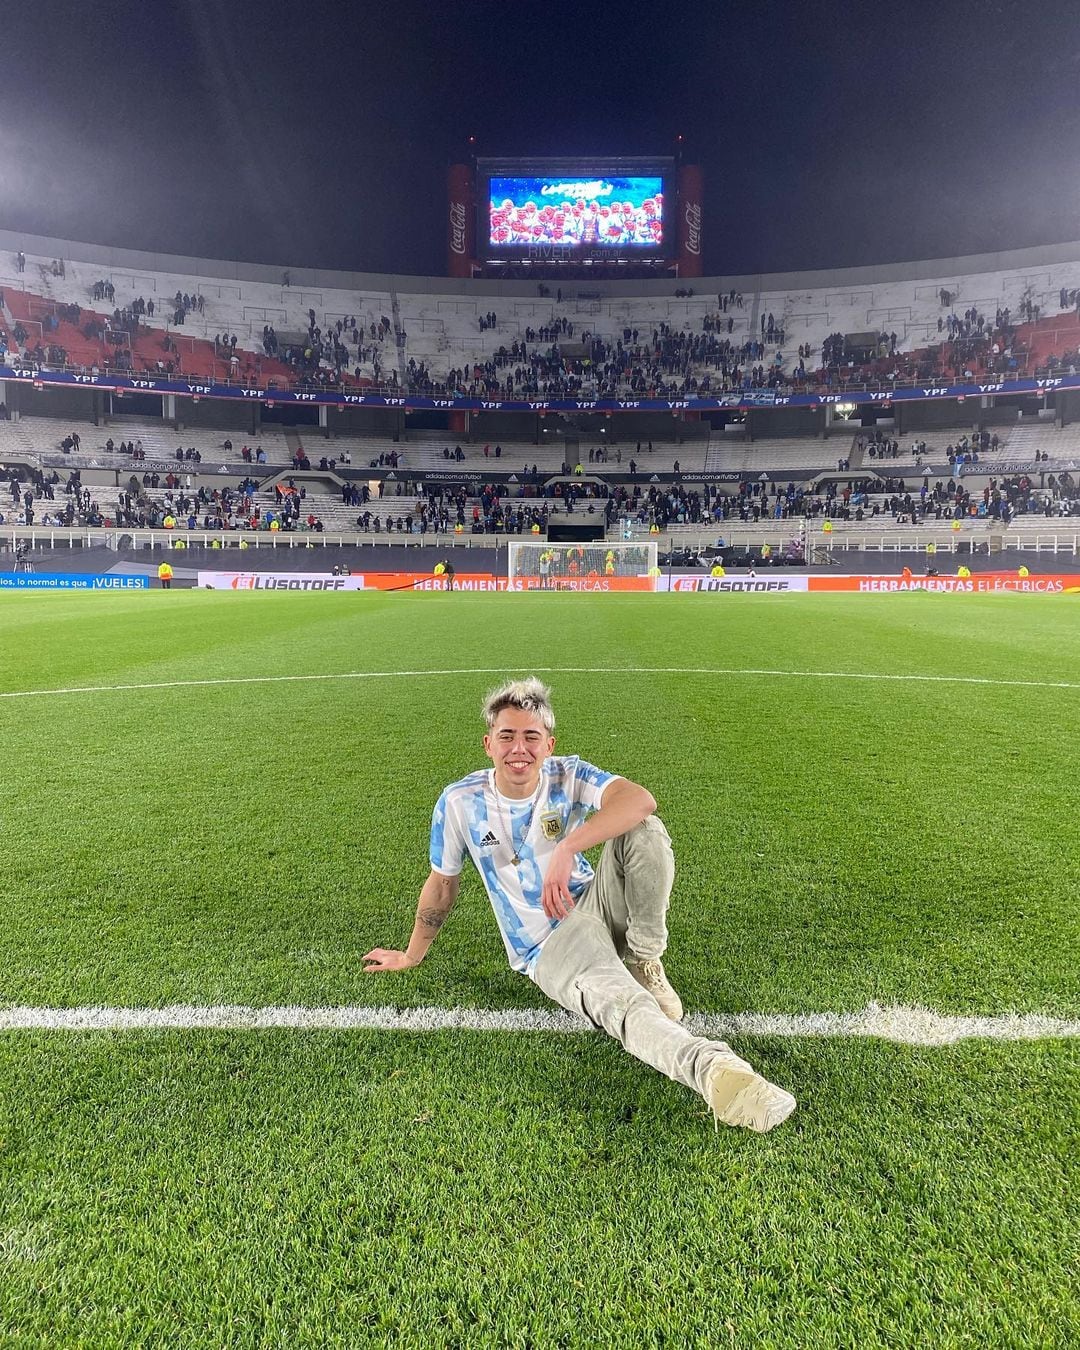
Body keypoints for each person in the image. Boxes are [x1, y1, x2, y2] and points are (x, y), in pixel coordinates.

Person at [363, 678, 796, 1134]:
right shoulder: (460, 802)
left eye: (531, 737)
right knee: (623, 1007)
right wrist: (412, 954)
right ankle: (717, 1072)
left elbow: (639, 799)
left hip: (595, 898)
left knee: (644, 829)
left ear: (548, 744)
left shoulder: (566, 773)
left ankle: (643, 957)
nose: (519, 748)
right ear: (488, 744)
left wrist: (569, 846)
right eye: (507, 736)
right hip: (549, 943)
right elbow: (441, 885)